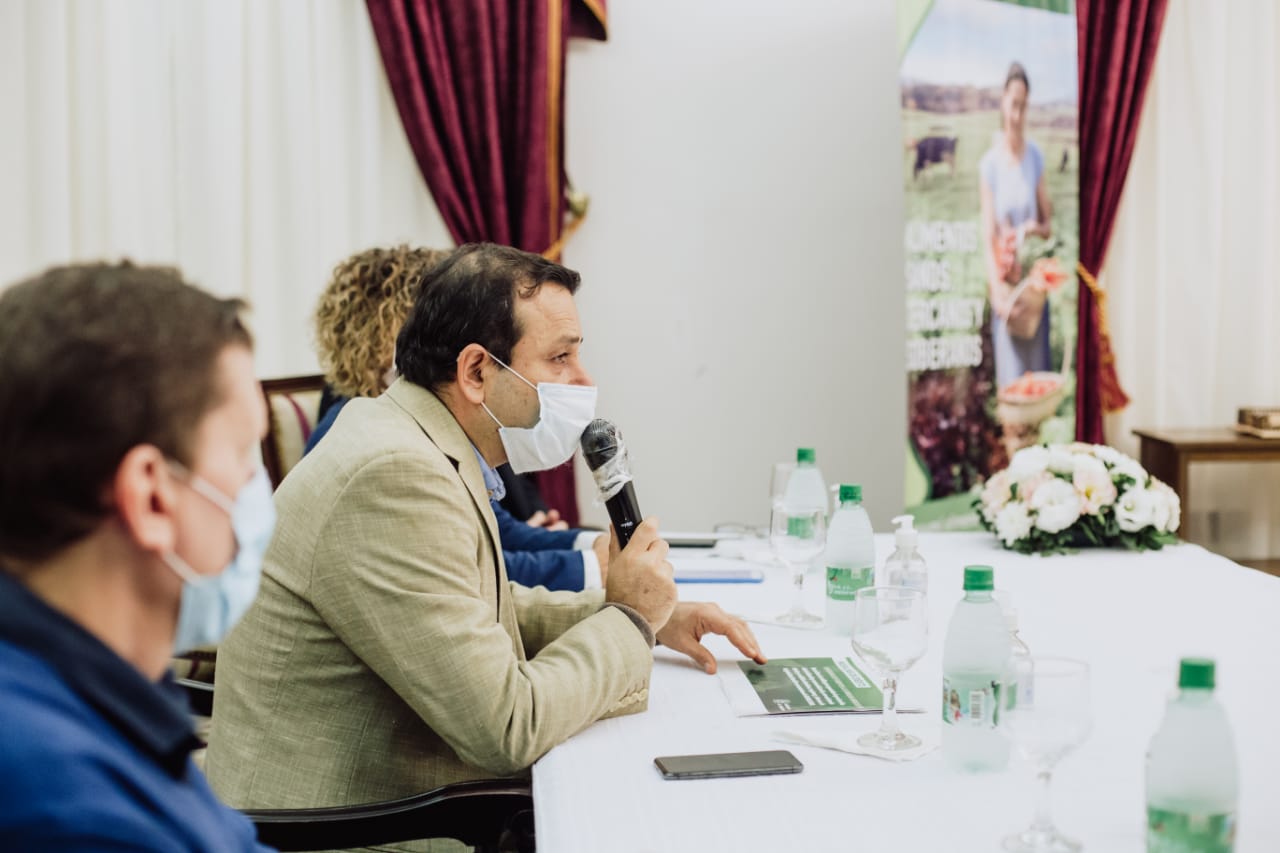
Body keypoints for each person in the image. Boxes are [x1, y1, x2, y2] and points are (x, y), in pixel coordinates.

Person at [205, 243, 765, 827]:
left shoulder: (416, 436)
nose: (583, 380)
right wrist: (625, 622)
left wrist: (650, 619)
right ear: (476, 372)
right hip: (341, 831)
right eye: (560, 358)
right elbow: (507, 727)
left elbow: (479, 606)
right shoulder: (394, 473)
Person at [0, 263, 274, 850]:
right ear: (151, 495)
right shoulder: (69, 812)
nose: (258, 483)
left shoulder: (110, 682)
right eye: (242, 452)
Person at [308, 244, 609, 591]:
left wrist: (593, 551)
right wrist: (605, 582)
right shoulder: (391, 459)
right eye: (559, 356)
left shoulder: (440, 435)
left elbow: (496, 543)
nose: (585, 381)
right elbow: (470, 580)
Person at [980, 61, 1055, 390]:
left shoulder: (1035, 157)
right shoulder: (990, 166)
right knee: (1012, 394)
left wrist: (1030, 231)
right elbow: (988, 237)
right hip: (1008, 295)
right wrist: (997, 292)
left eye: (1024, 106)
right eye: (1013, 105)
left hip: (1034, 294)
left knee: (1037, 390)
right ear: (1003, 102)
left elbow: (1047, 223)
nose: (1017, 115)